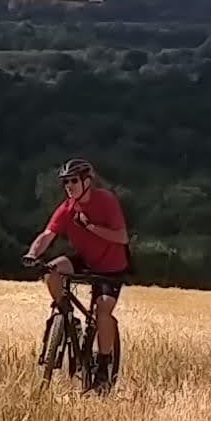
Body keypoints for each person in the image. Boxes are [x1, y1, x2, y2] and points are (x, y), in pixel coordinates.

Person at [23, 157, 130, 392]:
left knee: (103, 310)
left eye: (73, 181)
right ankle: (65, 312)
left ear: (87, 181)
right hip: (86, 259)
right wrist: (32, 254)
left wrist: (91, 228)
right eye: (65, 182)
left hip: (111, 266)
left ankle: (103, 365)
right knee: (52, 271)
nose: (68, 186)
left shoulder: (106, 201)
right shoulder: (67, 208)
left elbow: (122, 237)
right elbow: (47, 235)